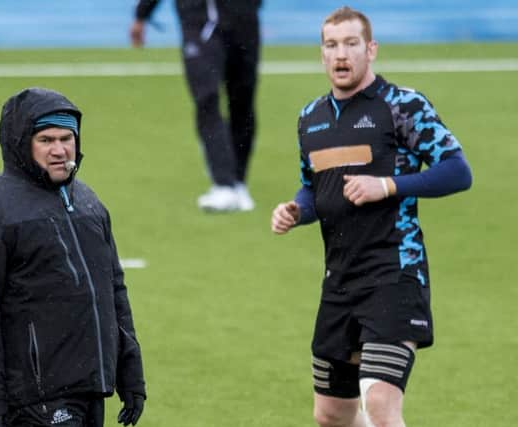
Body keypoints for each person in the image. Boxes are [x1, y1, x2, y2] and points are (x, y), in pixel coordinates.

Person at [271, 7, 472, 427]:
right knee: (331, 415)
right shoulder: (310, 118)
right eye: (331, 45)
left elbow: (457, 170)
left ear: (371, 49)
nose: (340, 54)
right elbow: (313, 185)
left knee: (379, 405)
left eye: (351, 43)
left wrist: (389, 185)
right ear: (322, 54)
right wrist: (296, 209)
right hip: (339, 280)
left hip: (394, 273)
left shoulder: (402, 106)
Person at [0, 87, 146, 427]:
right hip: (34, 398)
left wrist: (130, 375)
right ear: (21, 143)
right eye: (46, 140)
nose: (59, 150)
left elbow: (113, 292)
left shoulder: (88, 203)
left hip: (90, 388)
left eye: (66, 138)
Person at [130, 0, 262, 212]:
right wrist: (141, 14)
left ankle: (238, 182)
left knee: (242, 103)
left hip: (243, 21)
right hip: (197, 22)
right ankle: (224, 184)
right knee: (206, 98)